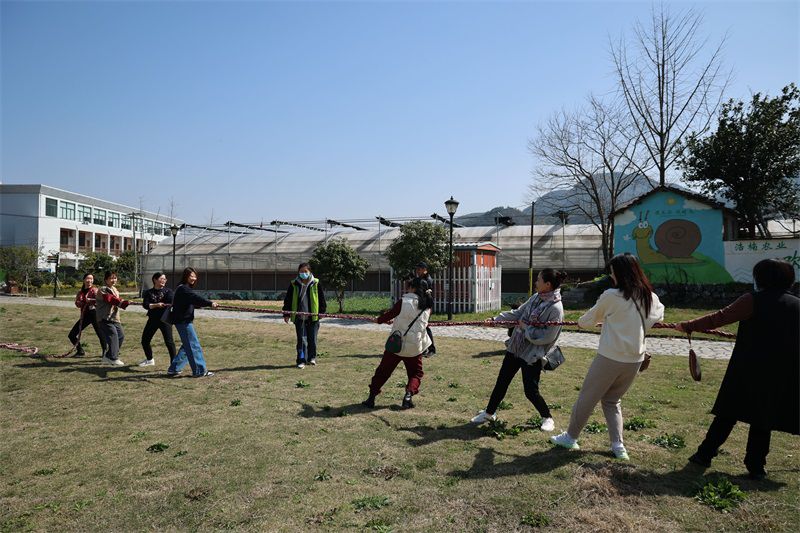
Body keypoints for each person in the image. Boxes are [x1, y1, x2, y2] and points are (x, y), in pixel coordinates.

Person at [675, 259, 798, 479]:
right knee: (763, 419)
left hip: (748, 367)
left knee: (727, 413)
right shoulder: (797, 305)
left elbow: (720, 318)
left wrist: (688, 325)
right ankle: (756, 466)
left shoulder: (752, 300)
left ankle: (705, 454)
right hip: (780, 371)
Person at [551, 253, 664, 460]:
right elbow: (658, 316)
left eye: (612, 272)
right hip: (635, 359)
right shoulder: (650, 296)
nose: (611, 275)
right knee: (612, 400)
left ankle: (570, 437)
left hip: (610, 357)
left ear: (619, 273)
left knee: (587, 398)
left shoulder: (611, 296)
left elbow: (586, 321)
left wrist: (589, 321)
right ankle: (618, 446)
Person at [471, 269, 567, 432]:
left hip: (532, 354)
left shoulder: (556, 308)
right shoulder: (536, 297)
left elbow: (547, 337)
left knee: (530, 391)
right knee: (502, 382)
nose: (535, 282)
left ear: (547, 284)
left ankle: (547, 417)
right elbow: (517, 314)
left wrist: (526, 328)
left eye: (538, 280)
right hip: (516, 347)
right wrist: (495, 320)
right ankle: (489, 413)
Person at [362, 278, 433, 409]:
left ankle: (371, 398)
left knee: (383, 371)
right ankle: (408, 396)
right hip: (415, 346)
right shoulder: (427, 306)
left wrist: (378, 320)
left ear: (413, 288)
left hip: (396, 343)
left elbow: (390, 314)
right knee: (415, 373)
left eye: (409, 286)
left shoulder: (404, 302)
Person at [166, 267, 219, 378]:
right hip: (183, 322)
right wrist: (210, 303)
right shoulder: (184, 289)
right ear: (185, 276)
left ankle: (174, 368)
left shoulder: (183, 288)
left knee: (187, 346)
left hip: (182, 321)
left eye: (195, 276)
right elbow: (195, 298)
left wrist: (201, 305)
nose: (193, 278)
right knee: (193, 345)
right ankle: (199, 371)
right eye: (191, 276)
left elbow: (191, 302)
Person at [282, 263, 327, 369]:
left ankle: (312, 358)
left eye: (305, 271)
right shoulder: (294, 284)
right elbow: (288, 300)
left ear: (310, 272)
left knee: (312, 339)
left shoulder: (316, 283)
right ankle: (301, 360)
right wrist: (286, 314)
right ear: (298, 272)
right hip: (299, 318)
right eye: (301, 271)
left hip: (313, 317)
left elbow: (321, 299)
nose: (303, 273)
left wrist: (322, 311)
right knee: (301, 341)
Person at [138, 272, 177, 367]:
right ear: (155, 280)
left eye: (165, 279)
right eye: (161, 279)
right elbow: (145, 305)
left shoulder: (168, 291)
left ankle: (174, 364)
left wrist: (153, 305)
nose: (164, 281)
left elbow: (170, 301)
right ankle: (150, 359)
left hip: (165, 320)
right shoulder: (148, 292)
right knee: (145, 340)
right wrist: (156, 305)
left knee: (169, 342)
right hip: (152, 319)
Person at [95, 271, 131, 366]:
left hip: (115, 318)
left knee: (120, 336)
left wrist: (124, 302)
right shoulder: (103, 289)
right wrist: (122, 303)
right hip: (104, 317)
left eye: (115, 278)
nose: (113, 280)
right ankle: (113, 358)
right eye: (111, 278)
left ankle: (108, 355)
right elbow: (110, 299)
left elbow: (116, 300)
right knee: (113, 335)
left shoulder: (115, 289)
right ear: (106, 280)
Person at [67, 272, 106, 357]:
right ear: (84, 280)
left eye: (91, 279)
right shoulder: (80, 292)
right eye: (88, 278)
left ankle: (105, 353)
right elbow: (77, 304)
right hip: (85, 315)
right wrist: (81, 302)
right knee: (72, 335)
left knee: (100, 334)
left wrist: (91, 301)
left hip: (95, 314)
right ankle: (80, 351)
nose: (90, 280)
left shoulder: (95, 290)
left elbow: (100, 302)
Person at [414, 261, 437, 356]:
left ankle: (432, 349)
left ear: (424, 269)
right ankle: (424, 348)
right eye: (417, 269)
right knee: (421, 327)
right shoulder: (420, 278)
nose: (417, 271)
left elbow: (427, 295)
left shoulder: (428, 280)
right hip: (420, 306)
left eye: (419, 269)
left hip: (426, 307)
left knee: (425, 327)